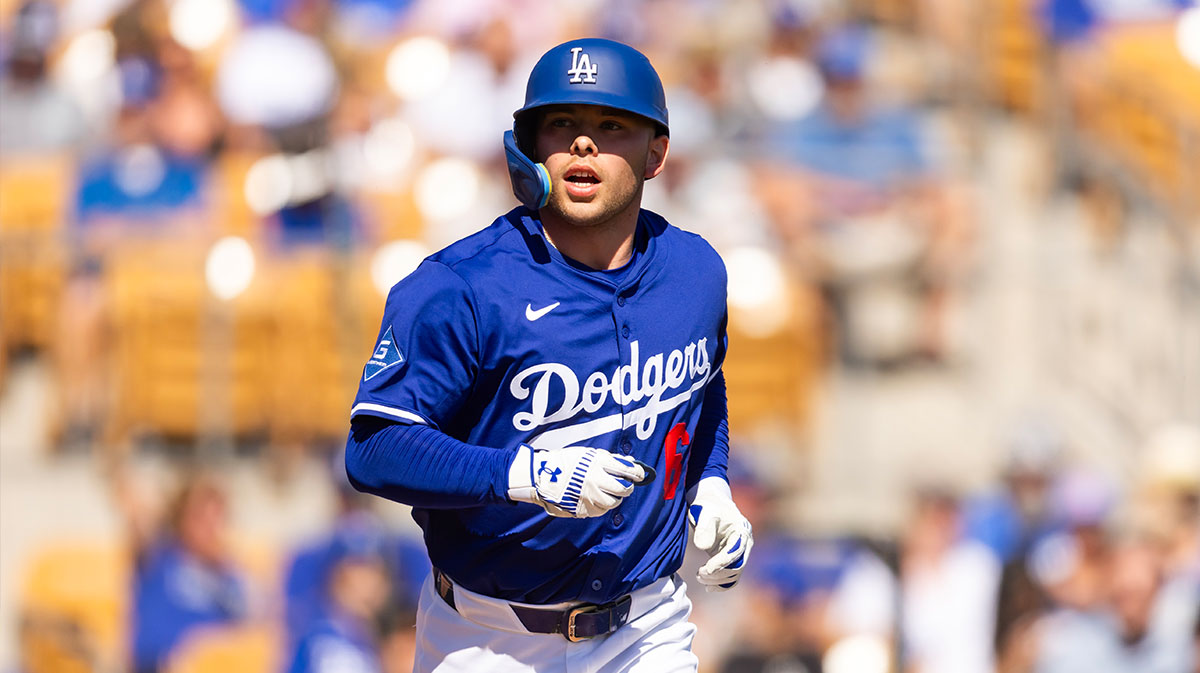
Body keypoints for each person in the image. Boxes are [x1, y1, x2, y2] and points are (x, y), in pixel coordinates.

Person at [344, 38, 753, 673]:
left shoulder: (695, 272)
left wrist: (713, 484)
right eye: (562, 124)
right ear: (531, 148)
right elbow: (374, 449)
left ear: (657, 153)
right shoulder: (461, 287)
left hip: (645, 626)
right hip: (485, 636)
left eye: (610, 125)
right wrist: (525, 475)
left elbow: (700, 388)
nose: (584, 144)